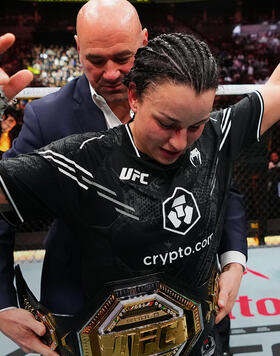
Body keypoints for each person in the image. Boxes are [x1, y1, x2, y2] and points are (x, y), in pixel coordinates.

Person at [0, 31, 275, 356]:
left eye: (195, 125)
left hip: (201, 343)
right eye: (166, 123)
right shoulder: (82, 160)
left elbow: (276, 90)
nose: (180, 142)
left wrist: (234, 264)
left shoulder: (217, 133)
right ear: (134, 97)